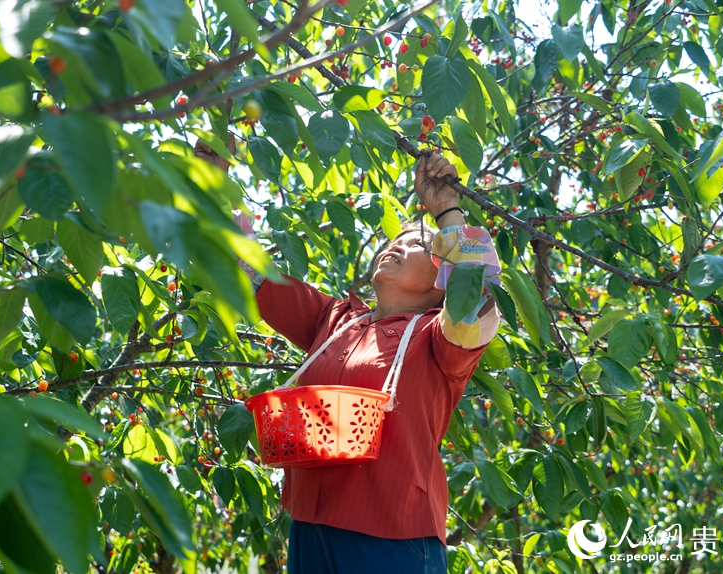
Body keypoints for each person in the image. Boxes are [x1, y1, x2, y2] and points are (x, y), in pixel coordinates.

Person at [195, 139, 501, 574]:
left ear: (442, 280)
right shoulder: (335, 321)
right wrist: (213, 184)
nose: (395, 245)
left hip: (391, 537)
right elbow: (246, 269)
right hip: (308, 527)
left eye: (417, 243)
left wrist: (447, 209)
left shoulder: (441, 338)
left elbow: (479, 297)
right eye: (394, 239)